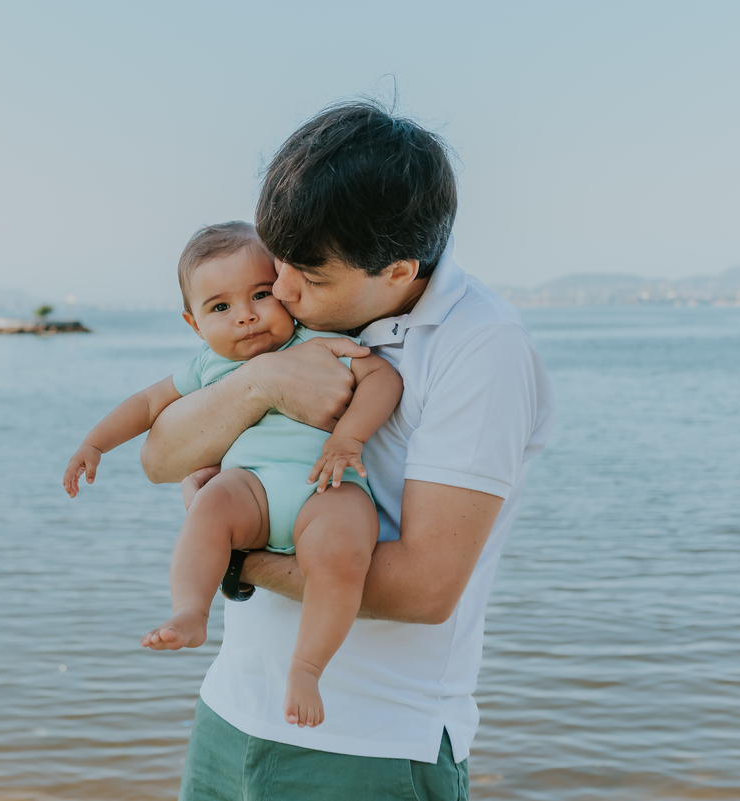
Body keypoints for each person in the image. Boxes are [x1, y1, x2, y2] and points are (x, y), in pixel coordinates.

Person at [142, 102, 556, 800]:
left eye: (311, 277)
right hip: (228, 715)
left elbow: (426, 588)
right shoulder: (286, 310)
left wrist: (237, 558)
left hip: (367, 747)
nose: (284, 292)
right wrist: (261, 382)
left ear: (398, 270)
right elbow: (160, 458)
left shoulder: (481, 347)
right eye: (281, 263)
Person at [63, 221, 403, 727]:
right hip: (253, 489)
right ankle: (190, 610)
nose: (245, 316)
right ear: (194, 324)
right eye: (220, 307)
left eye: (260, 295)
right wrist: (95, 444)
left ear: (287, 291)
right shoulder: (206, 367)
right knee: (208, 507)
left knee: (341, 555)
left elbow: (381, 376)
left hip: (329, 483)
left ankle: (307, 668)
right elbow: (148, 404)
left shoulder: (319, 340)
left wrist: (348, 437)